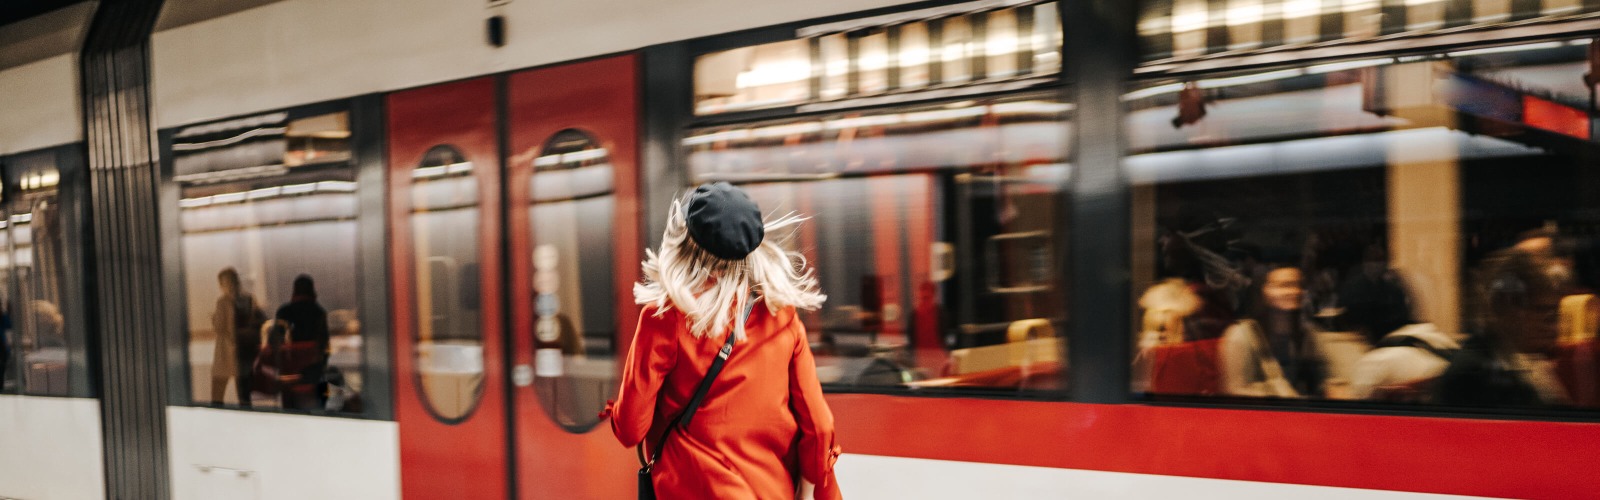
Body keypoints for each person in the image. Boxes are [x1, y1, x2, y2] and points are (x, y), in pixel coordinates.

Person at [606, 182, 841, 500]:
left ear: (684, 247)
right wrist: (811, 489)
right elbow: (819, 424)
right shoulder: (782, 316)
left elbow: (630, 428)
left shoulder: (664, 317)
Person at [1436, 249, 1573, 406]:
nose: (1553, 326)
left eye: (1554, 313)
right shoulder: (1476, 374)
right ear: (1506, 307)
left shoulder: (1521, 359)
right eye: (1541, 311)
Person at [1219, 265, 1333, 398]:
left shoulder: (1309, 334)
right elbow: (1234, 392)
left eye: (1299, 285)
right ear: (1264, 291)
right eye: (1284, 285)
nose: (1294, 291)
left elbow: (1324, 382)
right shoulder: (1241, 335)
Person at [275, 274, 330, 410]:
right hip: (313, 372)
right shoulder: (319, 312)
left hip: (289, 372)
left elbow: (275, 342)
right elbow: (324, 345)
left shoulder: (284, 312)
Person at [210, 268, 265, 406]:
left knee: (218, 390)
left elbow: (219, 326)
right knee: (244, 393)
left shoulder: (223, 302)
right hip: (244, 351)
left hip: (226, 351)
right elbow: (258, 319)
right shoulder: (248, 299)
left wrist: (213, 318)